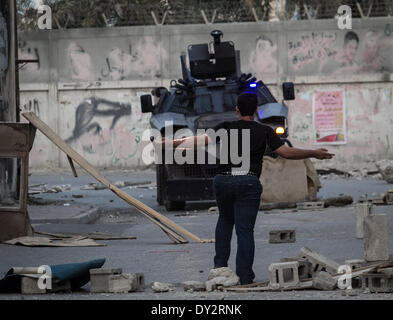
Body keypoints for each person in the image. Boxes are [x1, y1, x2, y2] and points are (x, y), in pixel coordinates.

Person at [156, 92, 334, 285]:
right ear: (256, 110)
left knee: (224, 221)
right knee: (245, 231)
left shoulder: (226, 127)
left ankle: (220, 270)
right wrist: (314, 153)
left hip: (223, 181)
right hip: (248, 183)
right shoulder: (265, 131)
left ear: (237, 109)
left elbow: (198, 141)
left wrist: (168, 144)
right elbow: (286, 153)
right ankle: (245, 278)